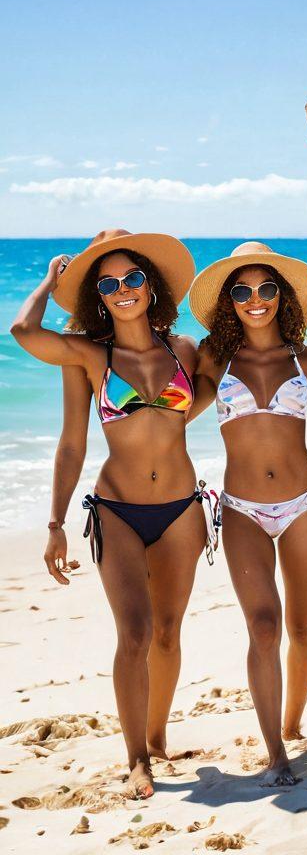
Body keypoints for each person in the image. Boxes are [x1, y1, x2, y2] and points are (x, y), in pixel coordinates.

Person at [10, 230, 212, 798]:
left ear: (151, 286)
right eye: (108, 284)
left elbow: (200, 400)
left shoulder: (184, 350)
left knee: (169, 633)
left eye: (132, 279)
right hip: (118, 510)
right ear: (98, 296)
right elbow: (69, 435)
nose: (122, 290)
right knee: (136, 632)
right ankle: (135, 762)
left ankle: (156, 739)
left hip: (181, 510)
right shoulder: (89, 356)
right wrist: (54, 525)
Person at [189, 242, 307, 786]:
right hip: (240, 510)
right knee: (264, 625)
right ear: (228, 302)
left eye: (265, 289)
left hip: (306, 504)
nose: (254, 300)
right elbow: (175, 414)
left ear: (282, 297)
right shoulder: (215, 357)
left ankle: (294, 720)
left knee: (303, 628)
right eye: (242, 291)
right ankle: (275, 751)